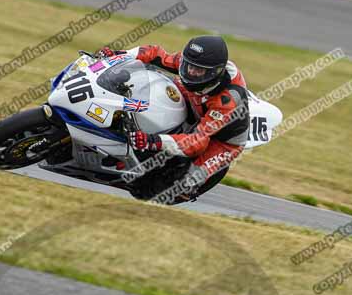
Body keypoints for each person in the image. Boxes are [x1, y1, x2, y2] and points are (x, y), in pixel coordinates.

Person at [97, 35, 250, 203]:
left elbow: (197, 143)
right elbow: (156, 54)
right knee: (151, 82)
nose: (191, 72)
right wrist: (119, 55)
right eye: (188, 66)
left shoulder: (227, 100)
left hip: (221, 141)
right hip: (195, 102)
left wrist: (152, 141)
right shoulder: (195, 64)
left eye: (198, 70)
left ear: (215, 73)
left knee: (173, 188)